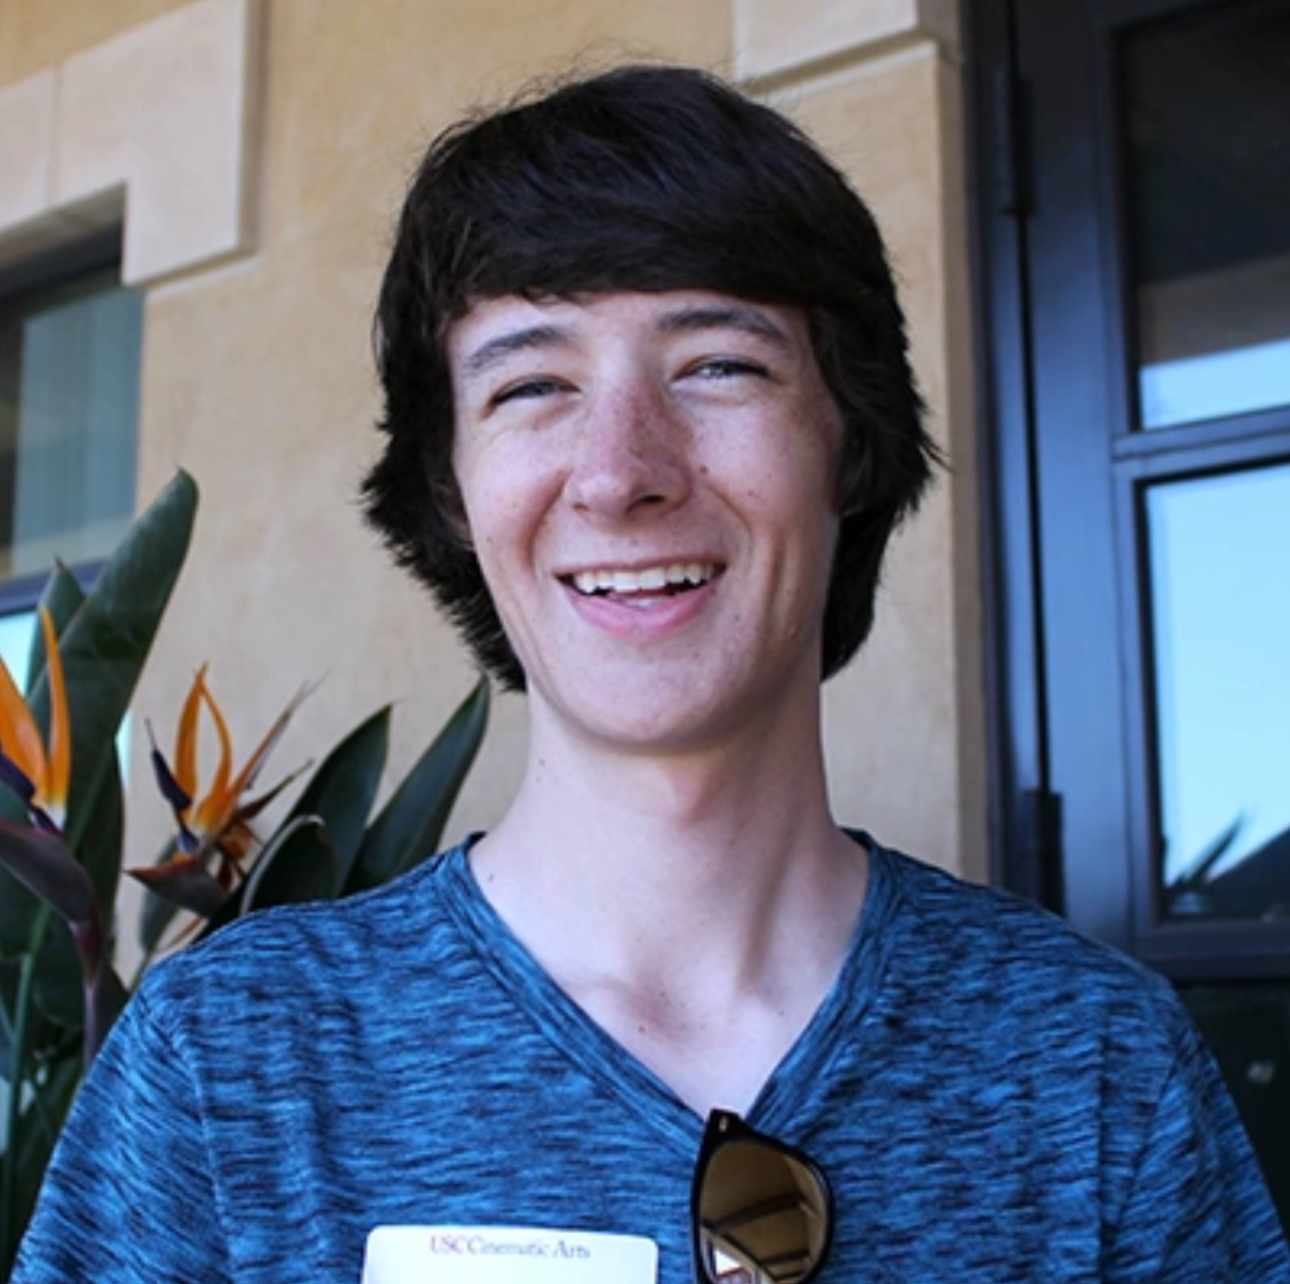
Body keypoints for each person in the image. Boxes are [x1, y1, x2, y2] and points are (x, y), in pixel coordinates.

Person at [13, 64, 1288, 1284]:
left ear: (849, 442)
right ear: (452, 488)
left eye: (719, 365)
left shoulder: (1097, 1067)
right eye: (532, 385)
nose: (621, 472)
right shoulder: (230, 1065)